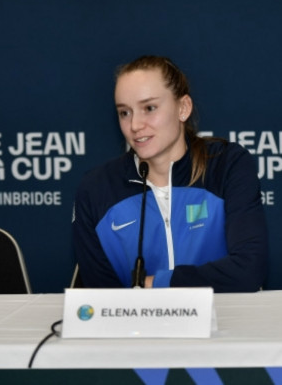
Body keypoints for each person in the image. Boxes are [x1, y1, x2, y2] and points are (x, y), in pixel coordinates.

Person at [72, 55, 268, 292]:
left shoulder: (227, 165)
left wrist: (156, 283)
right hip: (134, 318)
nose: (135, 125)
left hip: (223, 316)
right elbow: (101, 299)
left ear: (183, 108)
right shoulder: (96, 189)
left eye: (149, 108)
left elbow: (248, 270)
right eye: (124, 113)